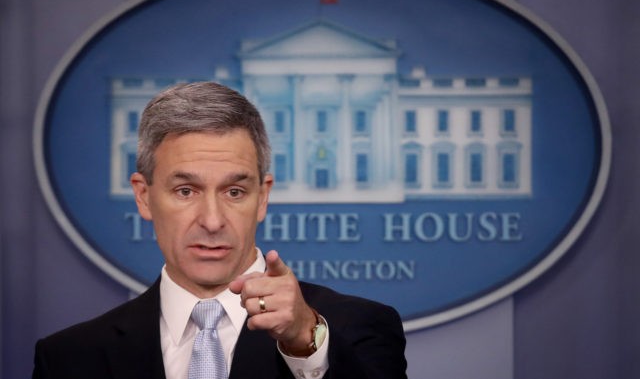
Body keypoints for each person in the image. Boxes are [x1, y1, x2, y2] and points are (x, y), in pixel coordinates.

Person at [32, 81, 408, 379]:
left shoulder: (357, 328)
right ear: (144, 197)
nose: (212, 221)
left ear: (262, 198)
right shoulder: (69, 358)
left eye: (234, 191)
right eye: (185, 191)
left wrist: (305, 345)